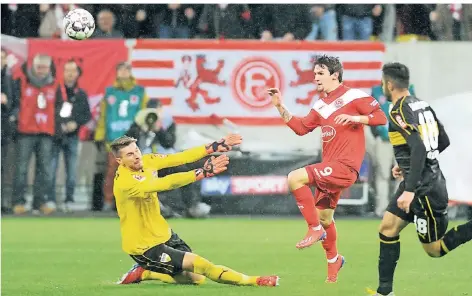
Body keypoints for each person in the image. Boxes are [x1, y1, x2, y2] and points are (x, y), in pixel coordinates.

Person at [268, 54, 387, 283]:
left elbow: (380, 117)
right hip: (329, 169)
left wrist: (355, 118)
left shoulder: (354, 96)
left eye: (320, 74)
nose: (316, 78)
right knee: (325, 217)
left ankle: (313, 229)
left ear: (335, 75)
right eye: (314, 74)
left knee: (294, 178)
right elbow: (301, 128)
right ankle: (334, 261)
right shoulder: (321, 105)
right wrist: (280, 107)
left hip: (345, 168)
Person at [111, 135, 279, 287]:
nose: (137, 156)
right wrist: (200, 173)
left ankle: (145, 273)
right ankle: (255, 281)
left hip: (163, 233)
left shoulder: (147, 161)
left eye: (136, 150)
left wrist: (212, 147)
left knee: (196, 278)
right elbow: (164, 183)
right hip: (144, 247)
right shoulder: (125, 183)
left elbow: (179, 157)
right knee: (201, 264)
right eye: (130, 155)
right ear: (120, 160)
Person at [366, 62, 472, 296]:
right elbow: (441, 141)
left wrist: (411, 187)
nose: (382, 86)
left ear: (389, 84)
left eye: (383, 82)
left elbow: (419, 147)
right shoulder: (422, 104)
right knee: (388, 228)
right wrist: (406, 168)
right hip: (418, 181)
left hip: (425, 190)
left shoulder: (397, 111)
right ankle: (385, 292)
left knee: (434, 249)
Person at [49, 59, 91, 212]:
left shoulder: (81, 93)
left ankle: (69, 200)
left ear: (78, 74)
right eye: (67, 70)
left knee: (72, 171)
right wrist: (59, 123)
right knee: (51, 169)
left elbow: (87, 115)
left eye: (73, 71)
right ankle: (51, 200)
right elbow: (50, 111)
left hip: (73, 137)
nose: (70, 74)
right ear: (63, 72)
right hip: (55, 135)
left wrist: (76, 123)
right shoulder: (56, 91)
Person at [369, 83, 416, 217]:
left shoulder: (407, 89)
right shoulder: (377, 91)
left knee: (402, 173)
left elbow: (413, 112)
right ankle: (382, 209)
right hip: (384, 140)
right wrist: (377, 133)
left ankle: (399, 208)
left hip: (402, 140)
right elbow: (370, 112)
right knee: (382, 174)